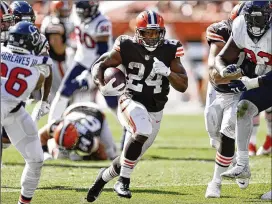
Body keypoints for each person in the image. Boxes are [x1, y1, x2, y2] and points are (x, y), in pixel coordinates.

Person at [86, 10, 188, 202]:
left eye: (155, 32)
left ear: (162, 32)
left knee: (129, 157)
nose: (151, 37)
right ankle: (124, 182)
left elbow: (183, 86)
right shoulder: (126, 45)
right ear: (138, 32)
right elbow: (100, 65)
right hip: (130, 99)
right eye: (147, 33)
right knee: (142, 130)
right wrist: (101, 86)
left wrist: (167, 73)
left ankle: (103, 178)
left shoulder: (171, 49)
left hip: (155, 109)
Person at [212, 1, 271, 183]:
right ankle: (243, 165)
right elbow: (222, 57)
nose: (256, 23)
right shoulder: (239, 26)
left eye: (260, 19)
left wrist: (252, 83)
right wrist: (223, 70)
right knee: (244, 108)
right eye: (252, 19)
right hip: (264, 78)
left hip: (263, 78)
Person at [1, 21, 52, 204]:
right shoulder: (37, 64)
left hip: (14, 111)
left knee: (36, 159)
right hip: (7, 107)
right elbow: (41, 79)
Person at [204, 2, 251, 198]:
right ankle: (242, 165)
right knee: (214, 134)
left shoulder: (265, 36)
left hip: (240, 91)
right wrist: (241, 73)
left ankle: (216, 182)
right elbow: (215, 74)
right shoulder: (220, 31)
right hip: (217, 90)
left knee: (227, 131)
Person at [48, 0, 118, 122]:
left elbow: (102, 51)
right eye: (79, 10)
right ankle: (52, 124)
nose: (81, 14)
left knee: (110, 99)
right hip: (80, 61)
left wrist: (90, 74)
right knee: (64, 91)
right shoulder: (76, 15)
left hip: (99, 63)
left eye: (85, 11)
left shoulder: (102, 22)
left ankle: (128, 127)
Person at [39, 102, 118, 161]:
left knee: (111, 154)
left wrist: (82, 157)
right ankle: (53, 148)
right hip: (73, 108)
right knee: (59, 155)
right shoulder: (57, 124)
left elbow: (102, 155)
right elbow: (41, 135)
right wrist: (44, 152)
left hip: (97, 112)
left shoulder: (87, 140)